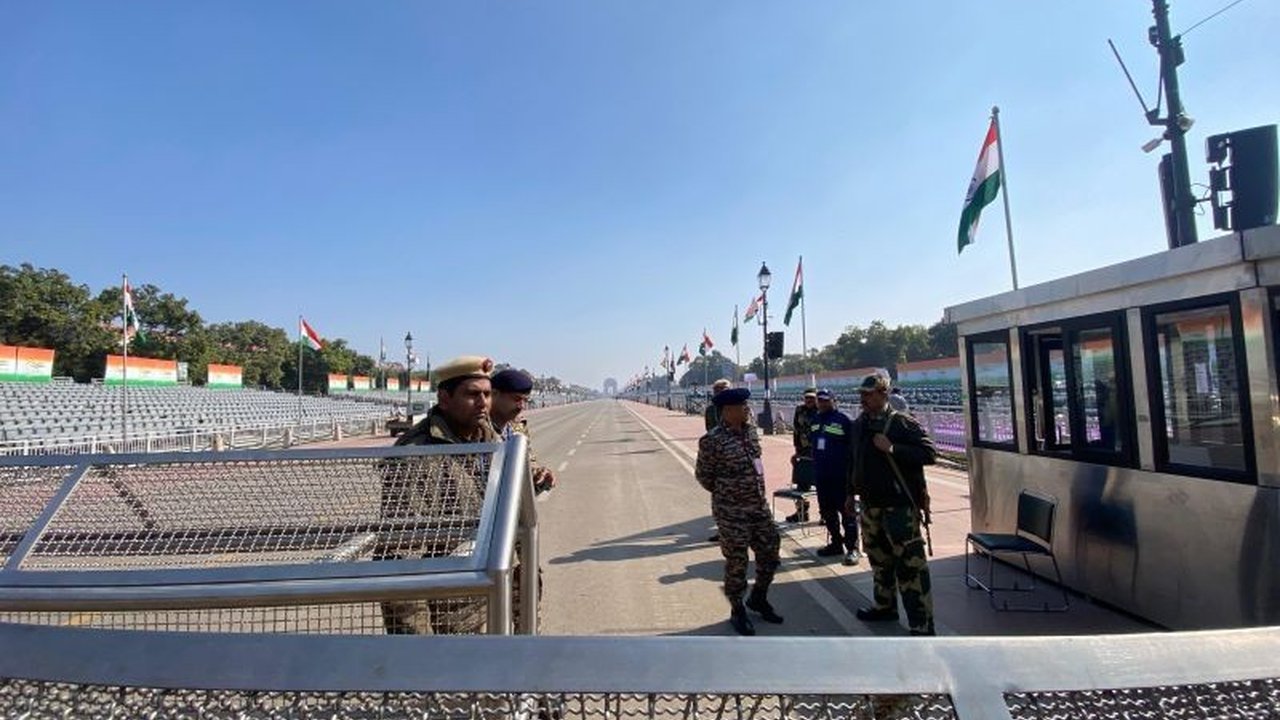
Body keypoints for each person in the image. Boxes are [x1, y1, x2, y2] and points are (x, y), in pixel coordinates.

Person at [377, 355, 507, 634]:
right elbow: (400, 557)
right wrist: (421, 645)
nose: (483, 403)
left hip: (489, 598)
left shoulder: (488, 439)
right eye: (472, 395)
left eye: (487, 394)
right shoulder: (418, 456)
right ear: (445, 399)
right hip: (449, 616)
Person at [846, 374, 938, 636]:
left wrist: (893, 448)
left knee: (910, 567)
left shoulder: (901, 423)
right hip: (870, 505)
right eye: (861, 394)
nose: (863, 399)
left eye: (869, 394)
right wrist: (849, 494)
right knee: (879, 561)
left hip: (899, 509)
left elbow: (929, 453)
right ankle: (884, 606)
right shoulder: (859, 425)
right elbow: (852, 462)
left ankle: (922, 623)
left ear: (884, 394)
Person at [695, 388, 783, 636]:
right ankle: (737, 609)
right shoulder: (712, 440)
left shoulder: (751, 432)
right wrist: (729, 494)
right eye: (741, 406)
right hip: (731, 512)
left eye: (747, 405)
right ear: (727, 411)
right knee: (737, 562)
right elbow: (704, 477)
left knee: (771, 554)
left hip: (758, 507)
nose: (747, 409)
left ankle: (759, 598)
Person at [809, 389, 860, 565]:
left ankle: (852, 548)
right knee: (827, 512)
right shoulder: (815, 420)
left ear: (833, 400)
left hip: (841, 476)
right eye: (820, 401)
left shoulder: (843, 420)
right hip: (822, 476)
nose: (822, 403)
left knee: (847, 513)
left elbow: (854, 449)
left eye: (825, 400)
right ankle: (836, 543)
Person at [490, 368, 555, 494]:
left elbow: (527, 461)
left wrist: (538, 474)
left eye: (525, 400)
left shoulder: (518, 427)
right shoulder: (475, 427)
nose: (522, 406)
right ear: (494, 394)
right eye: (516, 399)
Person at [703, 378, 732, 543]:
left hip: (738, 461)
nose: (722, 393)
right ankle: (722, 530)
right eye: (719, 390)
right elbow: (708, 432)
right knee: (719, 501)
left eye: (725, 390)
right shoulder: (710, 411)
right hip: (719, 461)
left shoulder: (739, 408)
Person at [785, 388, 818, 523]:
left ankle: (825, 515)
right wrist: (797, 451)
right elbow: (796, 431)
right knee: (800, 483)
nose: (809, 400)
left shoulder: (821, 411)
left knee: (821, 485)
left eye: (812, 398)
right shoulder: (800, 410)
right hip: (803, 451)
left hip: (818, 453)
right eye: (807, 398)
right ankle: (801, 512)